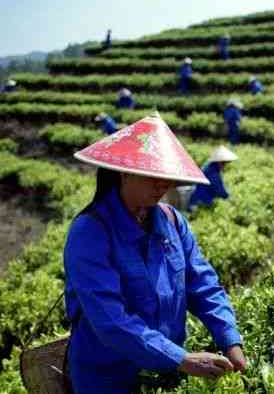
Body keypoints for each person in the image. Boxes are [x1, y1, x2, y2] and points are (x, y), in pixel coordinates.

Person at [64, 113, 246, 393]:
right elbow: (110, 318)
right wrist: (181, 358)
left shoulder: (172, 220)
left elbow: (202, 284)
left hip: (166, 374)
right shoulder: (90, 232)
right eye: (153, 175)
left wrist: (230, 340)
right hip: (107, 378)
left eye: (166, 176)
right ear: (124, 171)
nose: (164, 185)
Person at [188, 146, 238, 211]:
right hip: (201, 201)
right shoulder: (212, 171)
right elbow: (218, 188)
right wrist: (228, 198)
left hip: (197, 198)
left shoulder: (210, 166)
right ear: (219, 162)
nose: (224, 165)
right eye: (224, 163)